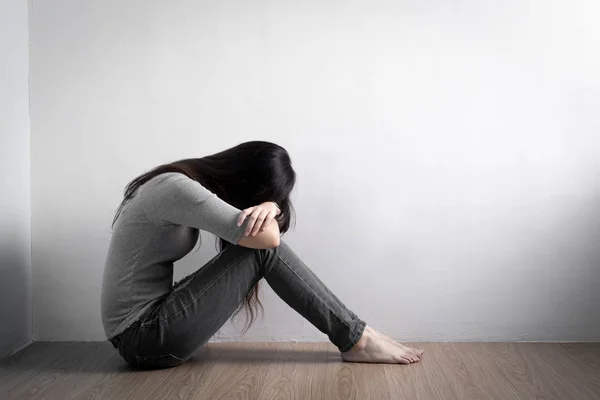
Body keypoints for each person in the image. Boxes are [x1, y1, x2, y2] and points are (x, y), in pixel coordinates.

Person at [101, 141, 424, 370]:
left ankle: (357, 335)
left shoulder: (175, 184)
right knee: (261, 252)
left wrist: (271, 206)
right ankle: (356, 339)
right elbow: (268, 239)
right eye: (261, 198)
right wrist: (272, 206)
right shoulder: (176, 188)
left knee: (258, 249)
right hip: (142, 338)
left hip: (144, 334)